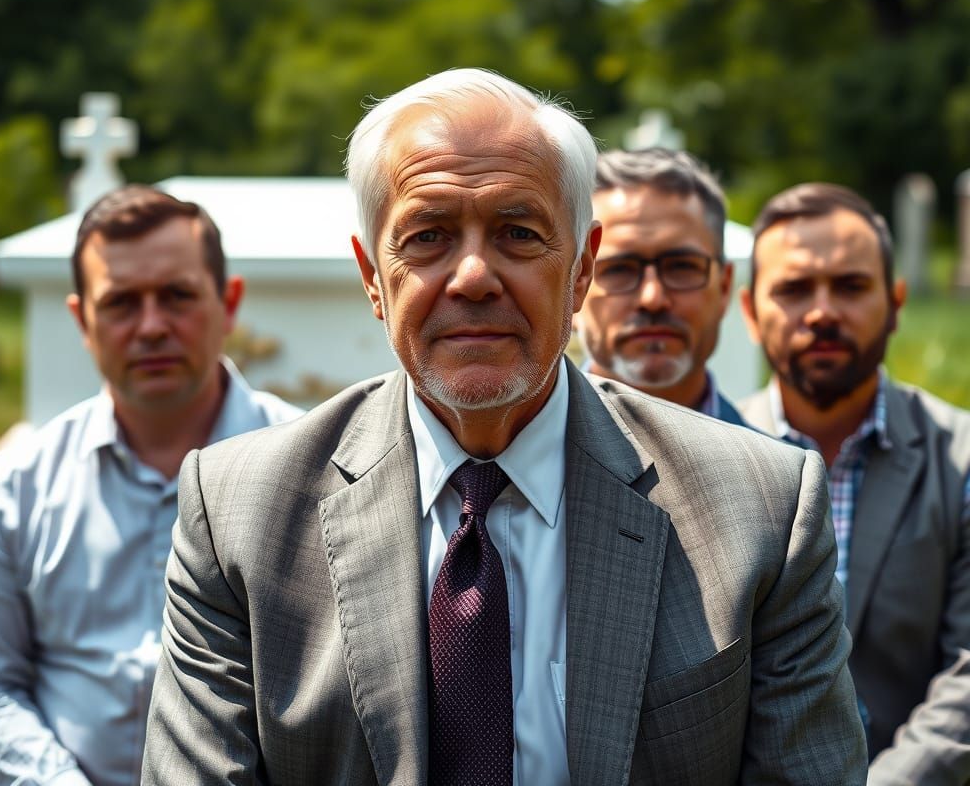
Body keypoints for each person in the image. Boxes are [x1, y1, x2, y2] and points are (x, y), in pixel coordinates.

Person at [142, 69, 866, 785]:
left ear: (581, 270)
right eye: (427, 236)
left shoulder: (760, 510)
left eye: (518, 233)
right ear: (372, 277)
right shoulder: (240, 513)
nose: (473, 277)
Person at [0, 185, 303, 786]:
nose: (152, 327)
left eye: (177, 296)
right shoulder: (14, 489)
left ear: (230, 301)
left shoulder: (313, 474)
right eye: (121, 303)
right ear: (81, 320)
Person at [739, 182, 970, 784]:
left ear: (895, 303)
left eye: (850, 286)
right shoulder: (705, 457)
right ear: (748, 311)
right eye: (792, 289)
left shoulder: (962, 459)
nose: (821, 312)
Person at [575, 148, 746, 424]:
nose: (652, 298)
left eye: (682, 267)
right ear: (573, 286)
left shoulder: (783, 467)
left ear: (724, 288)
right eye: (619, 269)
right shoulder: (506, 463)